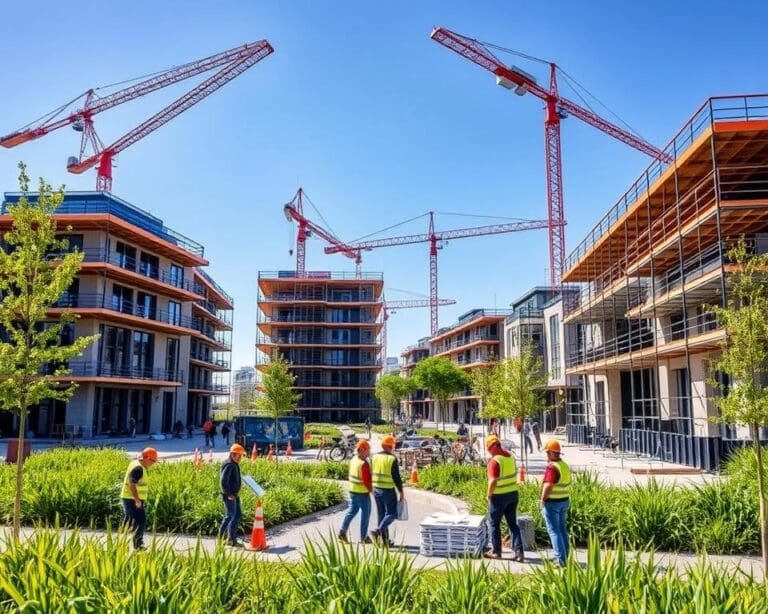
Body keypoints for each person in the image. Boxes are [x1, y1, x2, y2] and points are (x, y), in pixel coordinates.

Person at [484, 435, 524, 562]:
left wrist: (489, 494)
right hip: (513, 494)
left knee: (494, 523)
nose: (489, 452)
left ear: (491, 447)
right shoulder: (510, 457)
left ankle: (496, 552)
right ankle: (519, 552)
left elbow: (493, 481)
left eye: (488, 449)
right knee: (513, 524)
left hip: (499, 497)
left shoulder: (495, 461)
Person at [540, 439, 572, 566]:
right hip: (564, 500)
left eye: (548, 452)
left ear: (552, 453)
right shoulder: (564, 465)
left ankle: (560, 560)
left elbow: (548, 486)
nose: (547, 455)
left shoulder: (552, 467)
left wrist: (542, 500)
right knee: (562, 530)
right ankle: (565, 556)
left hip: (552, 503)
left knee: (554, 531)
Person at [120, 447, 159, 550]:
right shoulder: (139, 468)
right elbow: (132, 485)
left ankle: (121, 542)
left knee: (128, 520)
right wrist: (137, 499)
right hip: (132, 499)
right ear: (147, 458)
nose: (153, 464)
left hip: (129, 497)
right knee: (140, 521)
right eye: (153, 461)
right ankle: (138, 545)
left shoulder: (135, 463)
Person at [370, 435, 404, 546]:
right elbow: (396, 477)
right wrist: (401, 492)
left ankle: (384, 542)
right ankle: (378, 531)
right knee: (392, 513)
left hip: (376, 489)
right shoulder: (392, 459)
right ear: (391, 446)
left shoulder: (374, 457)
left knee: (381, 514)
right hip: (388, 490)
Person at [338, 440, 373, 544]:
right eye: (367, 450)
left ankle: (342, 531)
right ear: (362, 450)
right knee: (365, 514)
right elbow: (366, 481)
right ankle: (363, 537)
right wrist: (372, 491)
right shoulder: (364, 464)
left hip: (352, 491)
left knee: (351, 511)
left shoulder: (353, 460)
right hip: (362, 493)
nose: (369, 452)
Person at [220, 443, 245, 547]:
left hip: (234, 494)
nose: (240, 458)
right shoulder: (229, 465)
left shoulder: (233, 463)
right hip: (229, 495)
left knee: (237, 515)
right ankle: (221, 538)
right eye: (238, 455)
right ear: (232, 454)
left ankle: (232, 539)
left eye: (241, 456)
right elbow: (223, 481)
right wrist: (229, 493)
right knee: (230, 515)